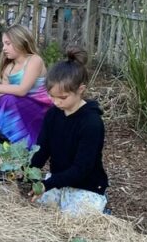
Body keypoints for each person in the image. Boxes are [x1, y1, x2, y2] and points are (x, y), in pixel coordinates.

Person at [28, 47, 109, 216]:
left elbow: (81, 169)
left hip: (87, 185)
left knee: (74, 220)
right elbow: (42, 150)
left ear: (80, 89)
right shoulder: (52, 114)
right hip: (58, 180)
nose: (56, 102)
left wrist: (47, 184)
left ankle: (102, 209)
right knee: (38, 209)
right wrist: (28, 171)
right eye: (52, 96)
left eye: (63, 97)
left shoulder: (91, 123)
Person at [0, 24, 52, 147]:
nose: (4, 48)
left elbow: (22, 90)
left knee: (11, 99)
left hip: (40, 109)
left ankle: (15, 138)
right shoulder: (9, 68)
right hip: (19, 107)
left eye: (8, 44)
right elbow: (3, 97)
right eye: (3, 44)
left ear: (21, 42)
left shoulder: (34, 60)